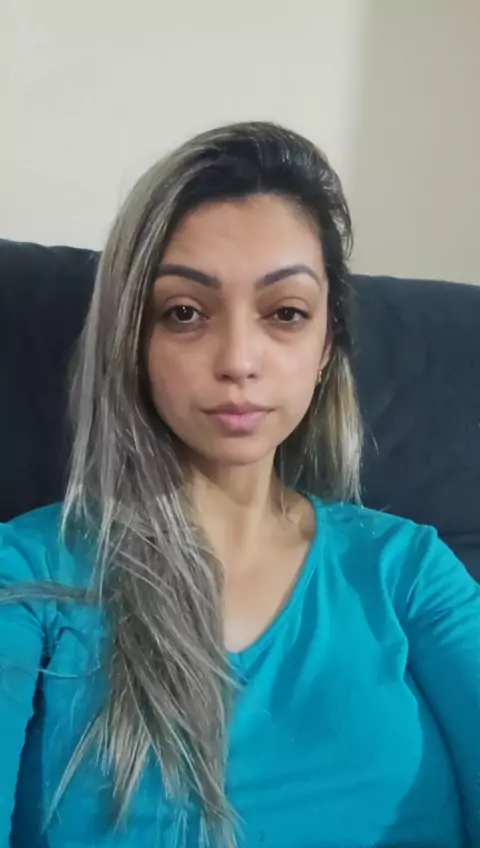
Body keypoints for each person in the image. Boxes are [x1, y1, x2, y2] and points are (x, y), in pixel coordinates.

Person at [0, 121, 478, 848]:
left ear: (326, 345)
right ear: (133, 341)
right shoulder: (28, 574)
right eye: (185, 313)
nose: (238, 360)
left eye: (285, 313)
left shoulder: (408, 571)